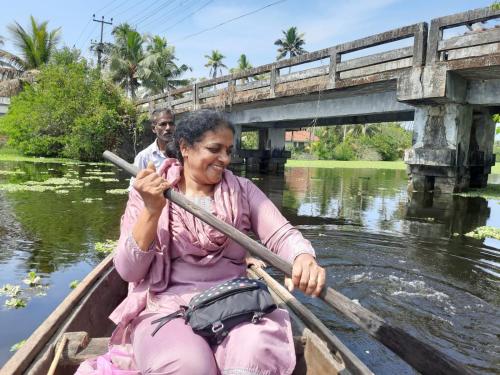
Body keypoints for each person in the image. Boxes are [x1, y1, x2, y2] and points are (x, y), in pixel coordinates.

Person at [78, 110, 326, 375]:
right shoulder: (149, 194)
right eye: (215, 149)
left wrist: (302, 258)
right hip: (167, 306)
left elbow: (282, 235)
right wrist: (152, 211)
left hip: (234, 302)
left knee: (254, 352)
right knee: (188, 365)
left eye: (229, 150)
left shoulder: (242, 190)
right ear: (185, 147)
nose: (225, 159)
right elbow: (129, 271)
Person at [128, 108, 177, 189]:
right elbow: (133, 188)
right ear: (154, 129)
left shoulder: (184, 152)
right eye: (163, 124)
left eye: (171, 124)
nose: (168, 128)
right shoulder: (144, 156)